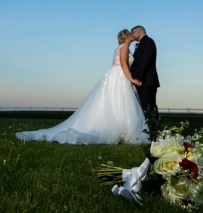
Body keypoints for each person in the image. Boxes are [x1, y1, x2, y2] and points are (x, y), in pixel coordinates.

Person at [16, 29, 149, 145]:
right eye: (129, 34)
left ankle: (121, 131)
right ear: (125, 37)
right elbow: (124, 65)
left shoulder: (119, 48)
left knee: (116, 104)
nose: (132, 35)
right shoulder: (124, 48)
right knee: (120, 103)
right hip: (120, 77)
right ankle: (121, 131)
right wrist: (132, 79)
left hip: (115, 76)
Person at [129, 25, 159, 117]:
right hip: (142, 82)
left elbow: (145, 61)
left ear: (140, 31)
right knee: (142, 109)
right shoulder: (142, 44)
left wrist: (139, 78)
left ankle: (153, 129)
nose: (132, 35)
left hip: (146, 82)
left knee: (149, 108)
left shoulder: (148, 42)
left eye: (133, 32)